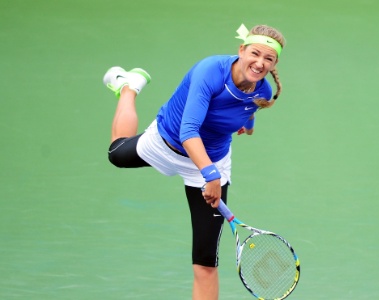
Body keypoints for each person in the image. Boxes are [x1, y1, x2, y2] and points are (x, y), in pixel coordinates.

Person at [102, 23, 286, 300]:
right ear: (241, 50)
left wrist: (246, 127)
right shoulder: (209, 71)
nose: (260, 63)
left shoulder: (262, 90)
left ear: (274, 63)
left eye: (268, 58)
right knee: (116, 154)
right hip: (166, 143)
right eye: (255, 53)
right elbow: (189, 131)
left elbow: (249, 113)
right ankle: (129, 87)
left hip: (212, 161)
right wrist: (210, 176)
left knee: (205, 263)